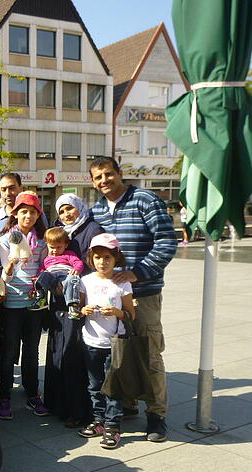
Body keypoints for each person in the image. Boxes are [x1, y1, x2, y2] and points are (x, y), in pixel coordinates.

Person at [89, 156, 177, 442]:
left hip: (143, 294)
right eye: (98, 177)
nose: (104, 181)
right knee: (119, 355)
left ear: (119, 173)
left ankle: (156, 415)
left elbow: (167, 240)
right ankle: (126, 405)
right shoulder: (97, 210)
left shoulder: (144, 200)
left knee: (149, 354)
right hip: (111, 299)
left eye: (108, 174)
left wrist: (136, 273)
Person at [42, 193, 104, 428]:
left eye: (70, 209)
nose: (67, 214)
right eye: (62, 211)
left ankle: (77, 410)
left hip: (78, 301)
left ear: (79, 207)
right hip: (57, 303)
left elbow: (96, 265)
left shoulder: (92, 229)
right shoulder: (58, 231)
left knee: (72, 353)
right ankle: (57, 404)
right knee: (57, 350)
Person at [78, 233, 135, 450]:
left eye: (108, 257)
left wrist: (118, 312)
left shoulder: (122, 282)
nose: (103, 262)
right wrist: (83, 310)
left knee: (113, 386)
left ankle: (113, 425)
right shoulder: (86, 281)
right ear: (91, 259)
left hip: (115, 343)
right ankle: (99, 420)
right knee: (94, 385)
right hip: (91, 341)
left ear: (116, 259)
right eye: (98, 257)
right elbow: (78, 309)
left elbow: (132, 314)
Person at [0, 192, 47, 420]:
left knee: (32, 351)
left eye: (32, 211)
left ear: (38, 215)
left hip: (34, 304)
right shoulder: (6, 239)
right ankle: (4, 394)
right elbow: (4, 278)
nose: (28, 215)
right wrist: (11, 263)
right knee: (9, 351)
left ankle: (31, 393)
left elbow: (45, 269)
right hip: (12, 303)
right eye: (23, 211)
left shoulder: (43, 242)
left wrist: (41, 281)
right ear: (15, 214)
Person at [36, 227, 85, 319]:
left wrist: (77, 270)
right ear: (47, 245)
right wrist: (40, 276)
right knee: (43, 276)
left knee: (73, 279)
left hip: (65, 278)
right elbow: (41, 269)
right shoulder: (46, 258)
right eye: (52, 247)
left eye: (59, 247)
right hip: (52, 280)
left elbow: (78, 263)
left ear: (66, 245)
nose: (55, 250)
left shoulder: (69, 254)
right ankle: (41, 297)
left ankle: (73, 306)